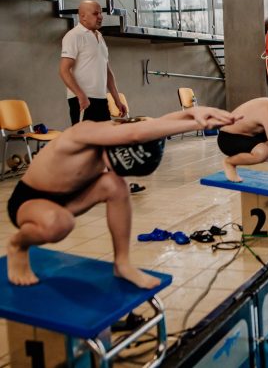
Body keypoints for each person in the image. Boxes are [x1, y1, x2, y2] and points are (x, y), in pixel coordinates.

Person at [6, 106, 241, 288]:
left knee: (115, 184)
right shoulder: (83, 132)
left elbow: (154, 124)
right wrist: (194, 124)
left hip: (70, 198)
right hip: (31, 200)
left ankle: (122, 263)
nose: (109, 167)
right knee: (60, 224)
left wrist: (194, 112)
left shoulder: (115, 137)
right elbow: (135, 133)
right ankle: (17, 245)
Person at [59, 0, 127, 125]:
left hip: (101, 99)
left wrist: (117, 100)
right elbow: (64, 70)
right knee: (84, 138)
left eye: (101, 13)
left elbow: (107, 72)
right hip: (83, 100)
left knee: (106, 136)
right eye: (96, 13)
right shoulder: (73, 36)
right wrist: (80, 95)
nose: (100, 17)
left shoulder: (100, 36)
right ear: (83, 16)